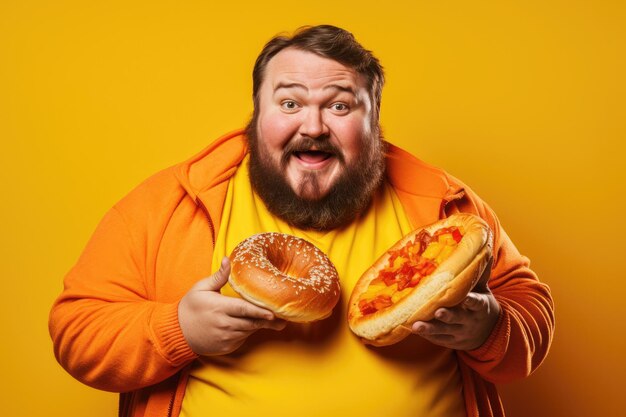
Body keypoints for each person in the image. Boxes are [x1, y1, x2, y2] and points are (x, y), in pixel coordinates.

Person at [49, 25, 554, 417]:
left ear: (373, 119)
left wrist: (490, 327)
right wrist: (179, 328)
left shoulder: (446, 210)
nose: (312, 127)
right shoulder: (171, 202)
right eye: (289, 102)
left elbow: (532, 313)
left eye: (339, 106)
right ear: (257, 111)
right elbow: (76, 333)